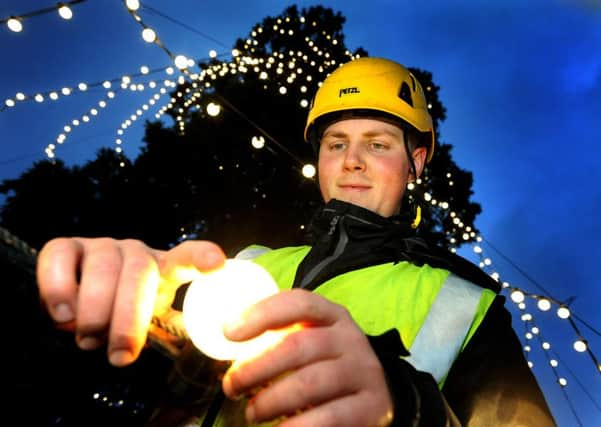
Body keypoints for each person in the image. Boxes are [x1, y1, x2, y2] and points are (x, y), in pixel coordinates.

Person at [36, 57, 556, 426]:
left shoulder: (463, 303)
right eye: (336, 143)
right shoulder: (247, 265)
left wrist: (407, 409)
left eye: (377, 144)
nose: (352, 160)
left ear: (415, 162)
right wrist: (123, 303)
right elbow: (167, 388)